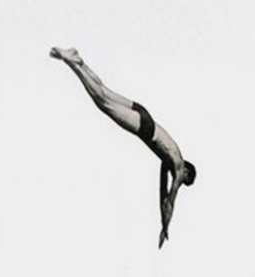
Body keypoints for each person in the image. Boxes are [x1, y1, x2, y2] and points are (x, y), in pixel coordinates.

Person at [49, 47, 198, 247]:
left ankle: (78, 61)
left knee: (103, 91)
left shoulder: (168, 161)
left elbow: (162, 192)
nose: (180, 180)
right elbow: (170, 200)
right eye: (185, 180)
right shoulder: (178, 166)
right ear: (187, 172)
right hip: (145, 127)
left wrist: (162, 219)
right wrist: (166, 227)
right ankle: (69, 61)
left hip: (143, 113)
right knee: (103, 103)